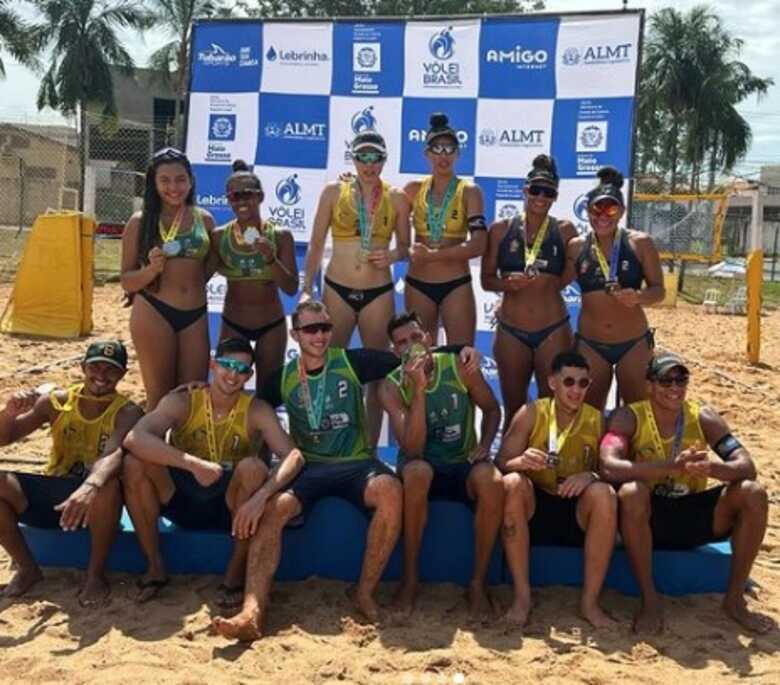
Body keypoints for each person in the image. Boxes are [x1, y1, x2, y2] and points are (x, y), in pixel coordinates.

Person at [211, 301, 477, 641]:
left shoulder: (351, 361)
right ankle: (252, 610)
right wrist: (197, 390)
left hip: (356, 464)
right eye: (310, 330)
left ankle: (363, 593)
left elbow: (412, 354)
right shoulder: (285, 378)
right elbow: (245, 403)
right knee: (275, 510)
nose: (319, 336)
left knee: (390, 490)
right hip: (309, 466)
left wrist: (461, 348)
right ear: (295, 335)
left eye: (324, 328)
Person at [122, 337, 304, 605]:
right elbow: (135, 438)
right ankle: (154, 567)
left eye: (242, 370)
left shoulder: (256, 409)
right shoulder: (183, 400)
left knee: (253, 468)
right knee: (134, 464)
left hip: (229, 506)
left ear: (249, 375)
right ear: (212, 365)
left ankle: (233, 576)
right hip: (181, 494)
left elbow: (294, 456)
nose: (233, 375)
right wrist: (192, 464)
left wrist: (261, 496)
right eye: (227, 365)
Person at [600, 352, 771, 634]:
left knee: (753, 493)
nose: (675, 388)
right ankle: (649, 600)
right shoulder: (629, 416)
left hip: (691, 511)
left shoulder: (703, 416)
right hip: (650, 516)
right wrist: (671, 466)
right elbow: (608, 466)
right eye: (666, 381)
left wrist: (710, 468)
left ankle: (735, 600)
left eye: (682, 380)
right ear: (649, 386)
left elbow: (747, 466)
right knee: (631, 493)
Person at [380, 311, 503, 620]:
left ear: (429, 339)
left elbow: (491, 409)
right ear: (395, 351)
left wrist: (486, 445)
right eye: (402, 342)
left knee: (493, 480)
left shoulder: (459, 367)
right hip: (424, 464)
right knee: (417, 471)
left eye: (416, 337)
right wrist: (418, 389)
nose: (411, 346)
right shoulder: (392, 386)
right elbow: (413, 448)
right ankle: (409, 579)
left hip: (462, 462)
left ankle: (478, 583)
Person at [0, 341, 142, 605]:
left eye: (111, 370)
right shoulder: (56, 402)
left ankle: (95, 576)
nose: (101, 375)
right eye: (95, 366)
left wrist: (90, 486)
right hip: (56, 489)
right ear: (82, 367)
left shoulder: (127, 411)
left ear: (122, 375)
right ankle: (28, 569)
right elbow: (6, 438)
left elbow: (115, 452)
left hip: (94, 503)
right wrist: (9, 413)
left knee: (108, 484)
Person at [303, 131, 410, 443]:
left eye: (375, 157)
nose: (368, 164)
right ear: (353, 158)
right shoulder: (334, 191)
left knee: (377, 375)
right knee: (326, 368)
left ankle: (370, 451)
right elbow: (316, 243)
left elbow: (405, 247)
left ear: (384, 160)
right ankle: (323, 444)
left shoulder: (397, 197)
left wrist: (391, 254)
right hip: (337, 289)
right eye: (362, 157)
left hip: (378, 293)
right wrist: (307, 288)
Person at [498, 351, 615, 628]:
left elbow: (612, 472)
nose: (576, 390)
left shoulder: (597, 420)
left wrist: (591, 475)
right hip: (535, 506)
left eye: (583, 383)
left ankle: (589, 603)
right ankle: (522, 597)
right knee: (512, 483)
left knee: (604, 494)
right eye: (569, 381)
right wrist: (522, 461)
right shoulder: (531, 413)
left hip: (575, 510)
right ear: (552, 382)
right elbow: (501, 462)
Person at [481, 155, 577, 431]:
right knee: (514, 407)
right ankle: (514, 466)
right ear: (525, 190)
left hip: (553, 329)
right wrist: (507, 285)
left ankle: (550, 466)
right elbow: (487, 280)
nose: (541, 197)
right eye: (536, 190)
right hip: (512, 331)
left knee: (552, 405)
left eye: (549, 192)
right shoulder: (500, 230)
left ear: (556, 196)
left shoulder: (565, 230)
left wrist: (542, 285)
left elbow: (566, 277)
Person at [121, 147, 215, 411]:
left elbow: (208, 268)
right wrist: (151, 271)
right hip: (154, 312)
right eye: (165, 180)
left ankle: (179, 453)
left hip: (195, 315)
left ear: (191, 180)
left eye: (180, 179)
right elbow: (127, 281)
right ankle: (149, 452)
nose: (174, 187)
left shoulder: (205, 220)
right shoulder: (140, 222)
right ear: (153, 183)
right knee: (160, 399)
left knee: (192, 396)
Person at [563, 166, 665, 410]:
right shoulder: (577, 247)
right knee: (588, 415)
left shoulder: (640, 243)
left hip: (633, 343)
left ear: (621, 212)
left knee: (638, 411)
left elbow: (659, 291)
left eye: (610, 208)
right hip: (591, 344)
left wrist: (638, 297)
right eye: (596, 208)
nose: (603, 215)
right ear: (587, 211)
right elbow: (554, 284)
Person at [212, 160, 298, 388]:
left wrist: (270, 258)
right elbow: (199, 276)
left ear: (260, 196)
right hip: (234, 323)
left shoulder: (280, 236)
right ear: (228, 200)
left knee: (268, 393)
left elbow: (290, 288)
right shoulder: (220, 237)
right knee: (228, 389)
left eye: (247, 195)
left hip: (271, 325)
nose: (241, 201)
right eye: (234, 196)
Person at [404, 113, 487, 346]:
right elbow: (377, 205)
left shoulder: (470, 191)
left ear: (458, 153)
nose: (443, 155)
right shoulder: (412, 189)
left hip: (455, 285)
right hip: (418, 284)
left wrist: (434, 256)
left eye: (449, 149)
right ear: (427, 153)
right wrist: (350, 182)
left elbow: (479, 244)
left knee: (460, 360)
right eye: (437, 149)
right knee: (419, 359)